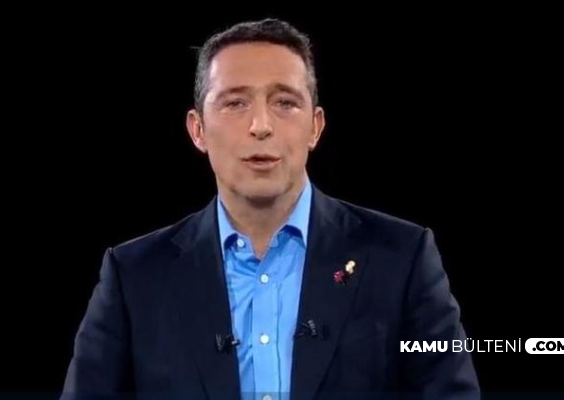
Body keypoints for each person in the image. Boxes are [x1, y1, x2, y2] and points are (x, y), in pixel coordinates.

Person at [61, 18, 479, 400]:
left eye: (284, 102)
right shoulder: (133, 276)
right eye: (235, 103)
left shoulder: (402, 259)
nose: (260, 125)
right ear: (198, 129)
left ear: (315, 126)